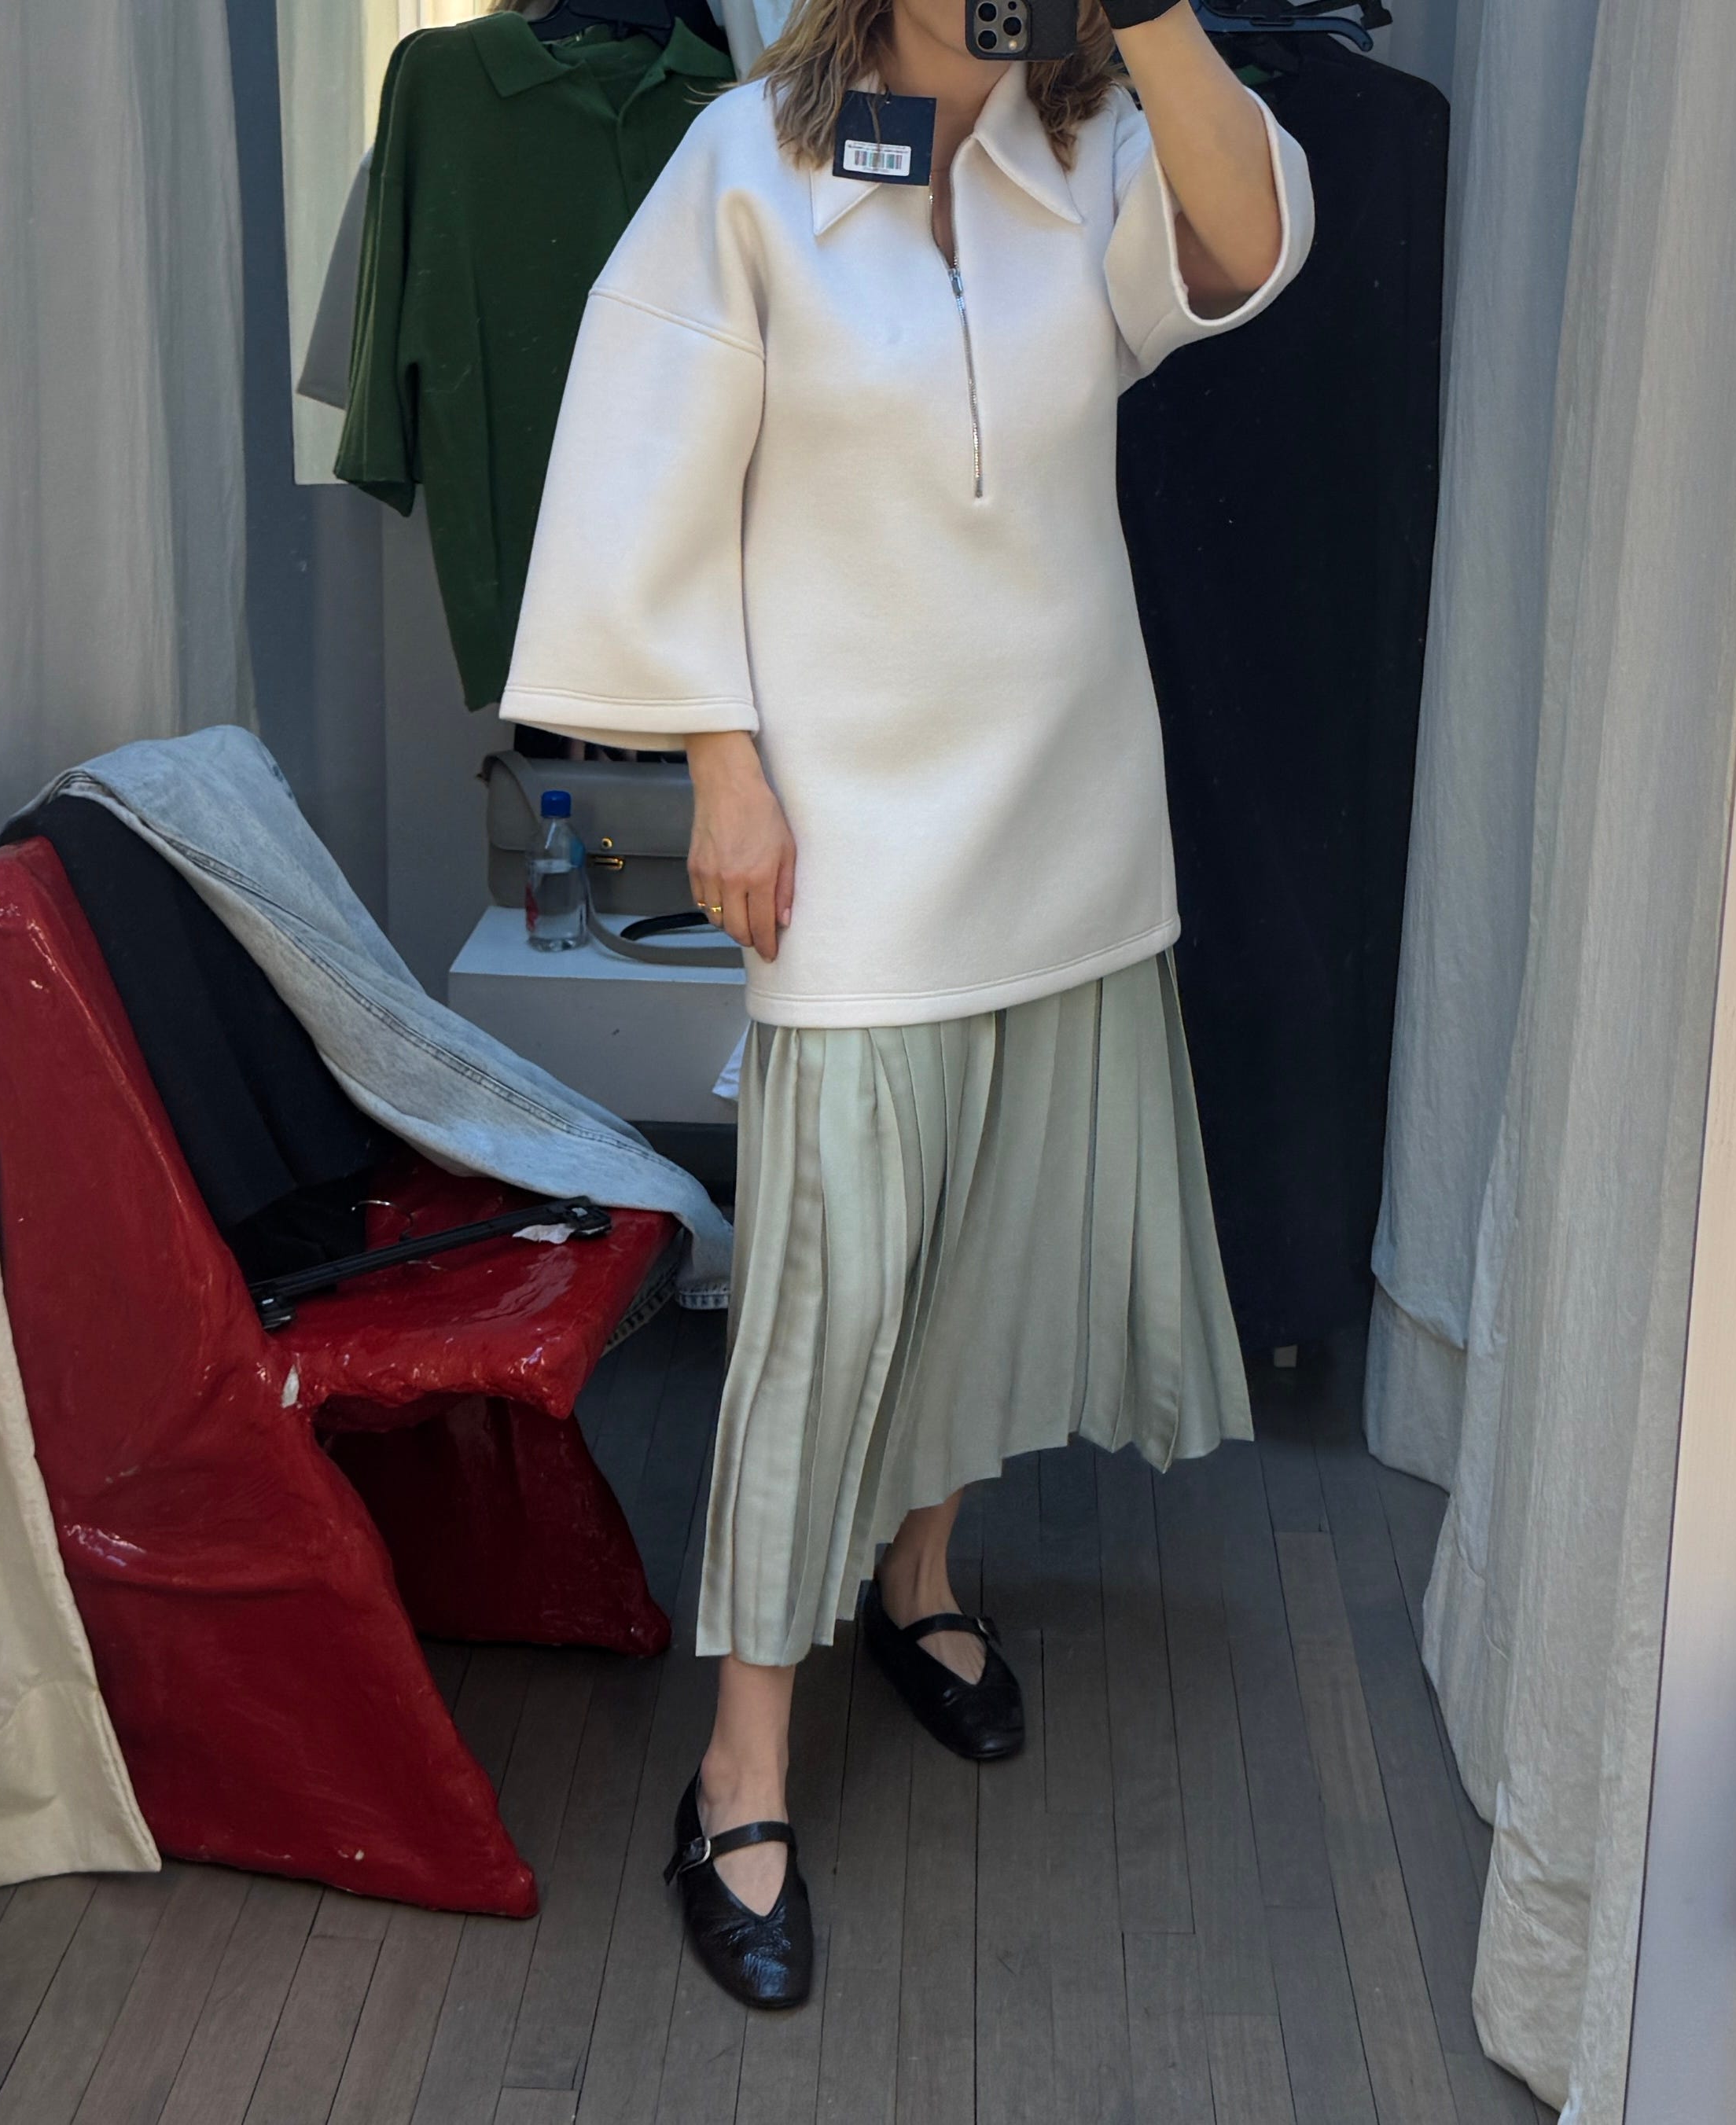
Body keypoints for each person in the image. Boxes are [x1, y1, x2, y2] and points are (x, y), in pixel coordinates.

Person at [499, 0, 1312, 2011]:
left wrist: (1149, 19)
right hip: (851, 833)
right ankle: (739, 1768)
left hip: (1065, 811)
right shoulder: (742, 169)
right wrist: (720, 765)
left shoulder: (1091, 150)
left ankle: (918, 1577)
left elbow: (1246, 243)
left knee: (985, 1240)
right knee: (827, 1298)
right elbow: (644, 476)